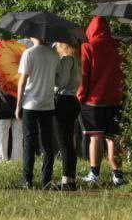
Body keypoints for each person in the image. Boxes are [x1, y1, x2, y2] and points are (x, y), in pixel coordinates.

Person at [80, 16, 127, 186]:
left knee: (95, 137)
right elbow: (125, 71)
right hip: (115, 98)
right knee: (113, 138)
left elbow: (84, 74)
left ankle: (95, 174)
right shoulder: (119, 45)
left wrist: (81, 96)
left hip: (94, 100)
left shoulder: (88, 46)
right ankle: (117, 174)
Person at [16, 37, 59, 189]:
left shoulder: (29, 53)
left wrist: (18, 105)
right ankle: (46, 180)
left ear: (34, 36)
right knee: (48, 144)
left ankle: (27, 179)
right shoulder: (54, 55)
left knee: (29, 142)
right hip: (48, 104)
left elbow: (22, 81)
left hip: (30, 104)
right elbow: (57, 79)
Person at [53, 41, 82, 191]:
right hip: (73, 100)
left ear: (63, 46)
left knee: (63, 142)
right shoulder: (77, 60)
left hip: (63, 100)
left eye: (57, 44)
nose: (55, 46)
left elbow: (61, 82)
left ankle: (65, 180)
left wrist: (51, 78)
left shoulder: (66, 60)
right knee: (70, 142)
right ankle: (71, 178)